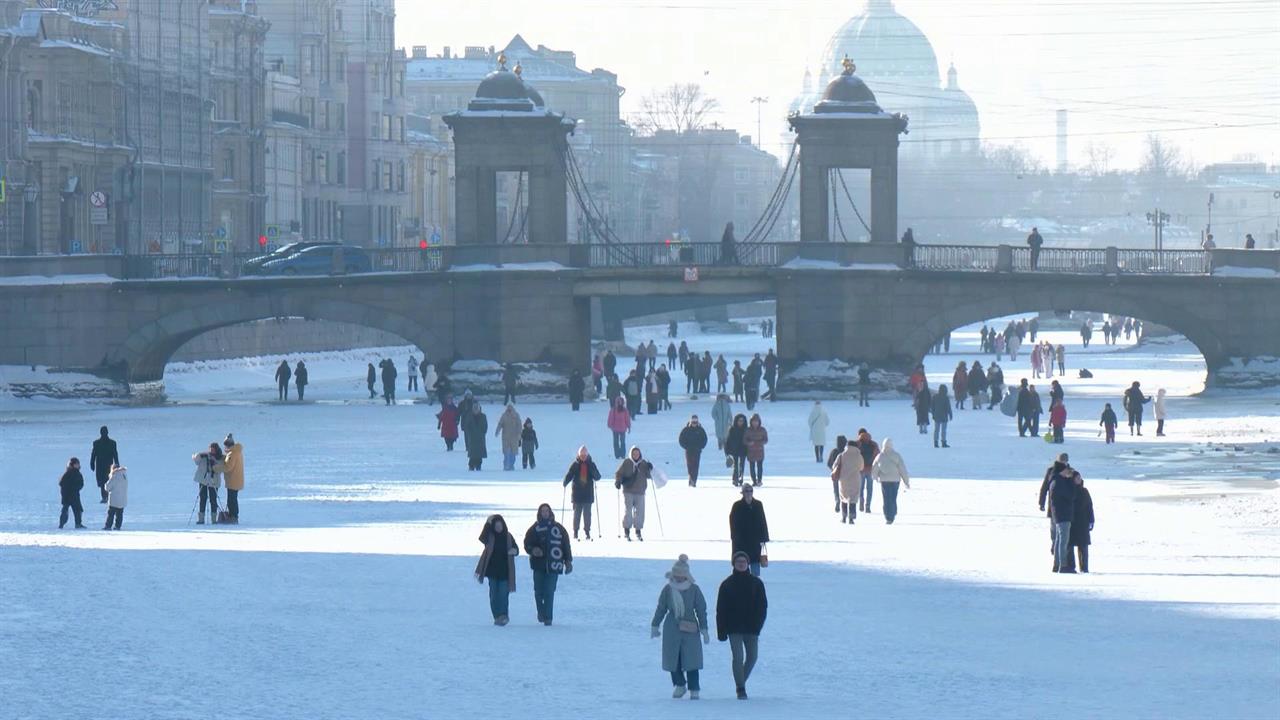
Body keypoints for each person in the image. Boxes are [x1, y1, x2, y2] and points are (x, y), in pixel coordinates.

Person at [651, 554, 710, 700]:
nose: (678, 578)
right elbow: (661, 608)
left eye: (681, 576)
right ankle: (679, 684)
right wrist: (655, 624)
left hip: (690, 628)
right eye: (676, 575)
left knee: (692, 660)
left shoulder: (694, 589)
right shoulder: (668, 589)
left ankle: (694, 688)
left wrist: (704, 629)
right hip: (672, 627)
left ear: (686, 575)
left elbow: (701, 609)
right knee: (673, 659)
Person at [717, 551, 768, 701]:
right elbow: (721, 609)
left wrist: (758, 625)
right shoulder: (726, 584)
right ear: (734, 564)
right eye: (738, 561)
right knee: (738, 657)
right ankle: (741, 688)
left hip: (752, 628)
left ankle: (740, 681)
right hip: (734, 628)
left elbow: (762, 606)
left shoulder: (756, 583)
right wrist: (721, 631)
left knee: (752, 657)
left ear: (747, 564)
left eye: (743, 561)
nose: (741, 564)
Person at [523, 504, 572, 625]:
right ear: (539, 513)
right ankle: (541, 612)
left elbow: (565, 545)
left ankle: (548, 618)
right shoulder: (534, 529)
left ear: (550, 512)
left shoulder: (559, 529)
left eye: (547, 511)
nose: (545, 513)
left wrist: (568, 561)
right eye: (542, 511)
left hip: (554, 564)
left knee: (549, 591)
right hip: (538, 565)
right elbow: (527, 543)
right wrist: (533, 550)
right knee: (538, 592)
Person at [475, 514, 519, 625]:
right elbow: (481, 537)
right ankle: (497, 616)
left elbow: (516, 549)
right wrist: (488, 522)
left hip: (505, 571)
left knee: (503, 594)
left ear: (503, 525)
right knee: (494, 595)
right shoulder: (489, 537)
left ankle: (504, 616)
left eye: (500, 525)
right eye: (496, 526)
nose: (499, 528)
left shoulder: (508, 537)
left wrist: (514, 551)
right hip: (492, 571)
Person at [1047, 462, 1082, 573]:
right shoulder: (1059, 482)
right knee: (1063, 541)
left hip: (1058, 515)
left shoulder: (1055, 480)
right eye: (1066, 470)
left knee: (1058, 541)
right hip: (1063, 515)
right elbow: (1071, 496)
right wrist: (1072, 482)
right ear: (1062, 470)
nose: (1068, 472)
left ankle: (1057, 564)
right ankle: (1063, 565)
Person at [1037, 452, 1069, 571]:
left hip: (1063, 507)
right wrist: (1041, 501)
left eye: (1065, 461)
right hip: (1053, 506)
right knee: (1054, 531)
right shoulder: (1051, 471)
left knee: (1059, 533)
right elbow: (1045, 487)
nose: (1064, 463)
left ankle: (1056, 551)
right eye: (1062, 461)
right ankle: (1054, 546)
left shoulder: (1068, 471)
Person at [729, 484, 770, 576]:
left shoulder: (758, 504)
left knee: (755, 560)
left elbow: (763, 521)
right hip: (741, 539)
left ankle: (755, 578)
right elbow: (733, 522)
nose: (749, 493)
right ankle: (741, 576)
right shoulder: (737, 505)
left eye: (750, 491)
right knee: (742, 559)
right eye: (746, 491)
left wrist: (764, 538)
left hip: (755, 539)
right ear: (742, 493)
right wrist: (735, 537)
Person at [562, 447, 601, 540]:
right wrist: (565, 482)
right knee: (577, 514)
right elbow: (569, 474)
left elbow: (598, 477)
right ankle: (575, 532)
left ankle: (587, 531)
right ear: (579, 455)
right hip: (577, 494)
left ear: (587, 455)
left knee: (587, 515)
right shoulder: (575, 465)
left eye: (584, 455)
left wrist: (592, 469)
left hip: (588, 494)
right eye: (581, 455)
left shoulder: (591, 464)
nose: (583, 457)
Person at [615, 446, 652, 541]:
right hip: (628, 491)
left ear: (640, 454)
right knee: (628, 511)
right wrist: (618, 481)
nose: (636, 455)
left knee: (640, 513)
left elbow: (648, 476)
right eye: (634, 453)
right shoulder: (627, 462)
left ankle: (638, 530)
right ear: (631, 454)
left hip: (640, 491)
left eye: (637, 453)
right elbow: (619, 473)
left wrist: (649, 468)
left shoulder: (643, 463)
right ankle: (626, 530)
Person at [872, 438, 910, 524]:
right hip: (895, 480)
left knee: (886, 498)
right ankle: (893, 512)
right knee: (893, 497)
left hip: (884, 481)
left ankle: (888, 516)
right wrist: (906, 482)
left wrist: (875, 477)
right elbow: (902, 469)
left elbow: (875, 468)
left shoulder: (880, 456)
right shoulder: (896, 455)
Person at [192, 442, 224, 525]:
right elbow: (196, 460)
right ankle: (201, 519)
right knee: (203, 498)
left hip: (214, 481)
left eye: (213, 449)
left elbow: (221, 468)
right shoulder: (205, 456)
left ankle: (214, 519)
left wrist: (214, 463)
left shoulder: (220, 457)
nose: (211, 451)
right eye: (210, 449)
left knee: (213, 499)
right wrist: (200, 455)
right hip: (204, 480)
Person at [831, 439, 860, 524]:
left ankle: (844, 517)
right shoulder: (858, 455)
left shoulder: (841, 455)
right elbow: (861, 466)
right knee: (853, 498)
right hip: (855, 479)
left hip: (843, 480)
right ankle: (851, 518)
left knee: (844, 498)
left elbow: (834, 466)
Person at [1070, 477, 1095, 573]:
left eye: (1079, 478)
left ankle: (1084, 567)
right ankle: (1071, 566)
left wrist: (1091, 520)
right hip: (1072, 520)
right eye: (1076, 478)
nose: (1078, 479)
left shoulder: (1084, 491)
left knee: (1083, 545)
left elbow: (1090, 506)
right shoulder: (1069, 489)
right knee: (1070, 544)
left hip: (1083, 521)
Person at [89, 425, 119, 504]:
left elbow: (115, 454)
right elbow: (94, 454)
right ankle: (105, 497)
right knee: (104, 482)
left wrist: (116, 463)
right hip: (102, 465)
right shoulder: (97, 443)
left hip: (106, 465)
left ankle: (106, 497)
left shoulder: (111, 443)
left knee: (106, 481)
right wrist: (92, 463)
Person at [678, 416, 708, 487]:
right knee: (690, 466)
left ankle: (694, 481)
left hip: (697, 451)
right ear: (690, 422)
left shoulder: (700, 430)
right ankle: (691, 479)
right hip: (689, 451)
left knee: (696, 466)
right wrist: (686, 447)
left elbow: (705, 439)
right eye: (693, 422)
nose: (694, 424)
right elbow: (681, 439)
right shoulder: (686, 429)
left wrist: (701, 446)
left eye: (695, 422)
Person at [854, 429, 879, 513]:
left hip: (860, 470)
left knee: (860, 488)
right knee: (870, 488)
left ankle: (861, 501)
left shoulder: (856, 444)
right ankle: (868, 506)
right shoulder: (874, 444)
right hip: (870, 470)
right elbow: (878, 457)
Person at [58, 457, 86, 529]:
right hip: (68, 495)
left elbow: (81, 483)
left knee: (78, 510)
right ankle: (62, 524)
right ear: (72, 465)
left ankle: (78, 523)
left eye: (78, 464)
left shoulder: (78, 473)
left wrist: (76, 488)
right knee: (65, 510)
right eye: (76, 464)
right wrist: (69, 489)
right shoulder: (68, 473)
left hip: (74, 495)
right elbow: (61, 483)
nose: (77, 465)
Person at [222, 434, 244, 523]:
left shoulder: (232, 453)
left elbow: (228, 467)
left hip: (233, 480)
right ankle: (233, 515)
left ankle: (233, 516)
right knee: (232, 498)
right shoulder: (236, 451)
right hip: (236, 480)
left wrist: (216, 467)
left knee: (231, 499)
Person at [495, 404, 522, 472]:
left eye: (511, 407)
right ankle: (506, 465)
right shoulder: (504, 415)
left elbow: (519, 425)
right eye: (508, 407)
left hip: (514, 437)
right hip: (505, 437)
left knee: (513, 453)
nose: (509, 408)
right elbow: (500, 423)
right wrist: (497, 431)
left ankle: (511, 465)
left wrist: (519, 434)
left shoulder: (516, 415)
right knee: (506, 453)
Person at [744, 414, 769, 486]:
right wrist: (749, 443)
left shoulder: (762, 430)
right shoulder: (748, 430)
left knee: (760, 466)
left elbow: (766, 440)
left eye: (756, 421)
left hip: (760, 451)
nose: (755, 423)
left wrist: (761, 442)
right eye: (754, 421)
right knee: (752, 467)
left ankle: (759, 480)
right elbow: (744, 440)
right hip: (751, 451)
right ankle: (754, 481)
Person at [826, 435, 849, 513]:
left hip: (835, 474)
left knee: (836, 489)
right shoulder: (846, 452)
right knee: (844, 489)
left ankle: (837, 500)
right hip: (845, 474)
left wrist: (833, 469)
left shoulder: (834, 451)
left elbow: (829, 463)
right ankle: (844, 502)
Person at [725, 413, 749, 486]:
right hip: (734, 450)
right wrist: (727, 451)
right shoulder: (732, 429)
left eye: (742, 421)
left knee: (742, 465)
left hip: (743, 450)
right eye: (739, 421)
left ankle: (740, 478)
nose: (741, 422)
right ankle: (735, 479)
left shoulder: (746, 430)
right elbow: (728, 441)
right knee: (735, 465)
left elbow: (748, 440)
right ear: (736, 421)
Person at [463, 403, 488, 471]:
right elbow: (466, 425)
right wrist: (469, 433)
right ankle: (471, 465)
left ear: (479, 409)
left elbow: (485, 426)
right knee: (472, 453)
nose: (476, 410)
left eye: (477, 408)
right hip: (472, 437)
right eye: (474, 408)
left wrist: (482, 432)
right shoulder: (469, 416)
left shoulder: (483, 416)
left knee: (479, 453)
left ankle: (478, 465)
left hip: (480, 437)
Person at [103, 463, 128, 530]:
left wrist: (106, 483)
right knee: (119, 514)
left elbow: (107, 487)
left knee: (111, 514)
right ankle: (118, 526)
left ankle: (108, 526)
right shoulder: (124, 476)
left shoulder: (114, 476)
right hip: (122, 499)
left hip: (114, 499)